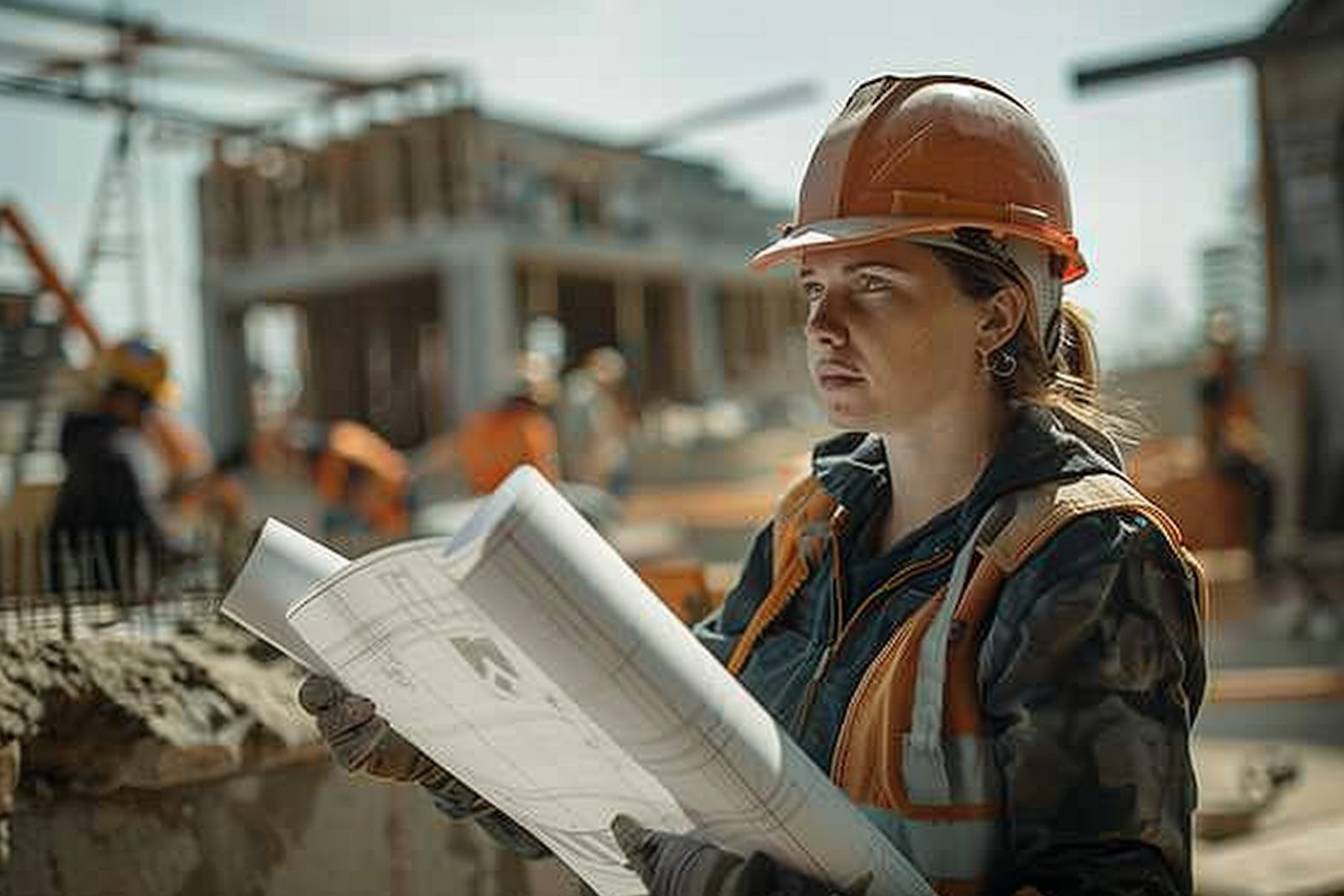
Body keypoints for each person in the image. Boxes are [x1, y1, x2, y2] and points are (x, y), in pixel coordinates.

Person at [298, 75, 1206, 896]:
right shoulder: (812, 529)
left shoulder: (1085, 562)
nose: (824, 323)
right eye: (814, 286)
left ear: (996, 313)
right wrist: (445, 742)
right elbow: (647, 759)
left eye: (874, 284)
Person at [49, 337, 192, 590]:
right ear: (125, 401)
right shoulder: (115, 451)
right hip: (105, 588)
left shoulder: (85, 441)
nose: (150, 416)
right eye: (148, 405)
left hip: (85, 580)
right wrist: (172, 549)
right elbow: (139, 517)